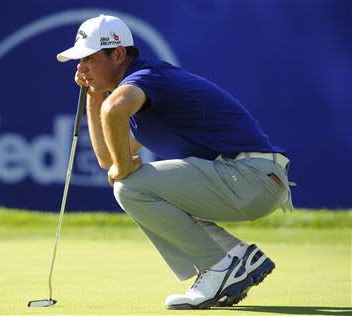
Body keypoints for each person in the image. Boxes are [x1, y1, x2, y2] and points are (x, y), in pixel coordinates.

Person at [57, 15, 293, 310]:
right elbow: (107, 158)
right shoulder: (139, 93)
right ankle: (236, 255)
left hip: (251, 177)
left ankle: (219, 268)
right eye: (79, 61)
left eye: (89, 59)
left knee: (130, 188)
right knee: (131, 183)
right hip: (249, 179)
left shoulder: (146, 78)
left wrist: (122, 167)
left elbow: (115, 112)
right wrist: (94, 95)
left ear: (117, 54)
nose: (81, 68)